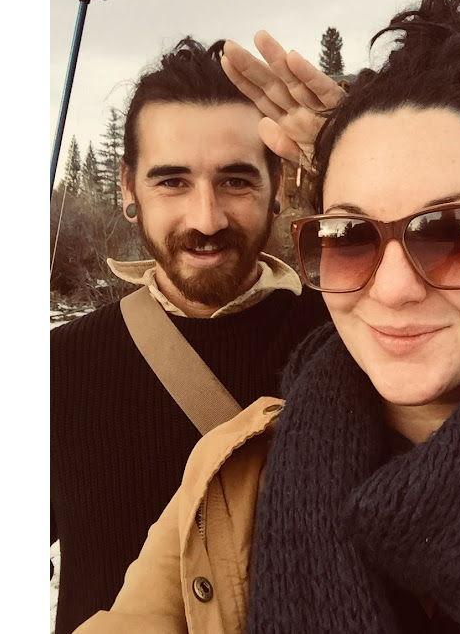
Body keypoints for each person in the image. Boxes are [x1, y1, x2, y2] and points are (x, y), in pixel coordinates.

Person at [76, 0, 460, 633]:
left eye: (454, 232)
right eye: (350, 234)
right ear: (128, 188)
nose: (391, 288)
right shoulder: (233, 471)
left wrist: (381, 147)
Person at [50, 37, 334, 634]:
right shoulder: (56, 367)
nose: (206, 219)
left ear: (279, 186)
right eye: (172, 182)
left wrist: (365, 157)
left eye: (235, 181)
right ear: (128, 189)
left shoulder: (356, 339)